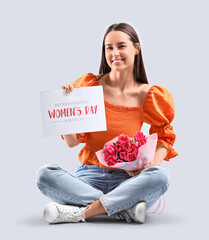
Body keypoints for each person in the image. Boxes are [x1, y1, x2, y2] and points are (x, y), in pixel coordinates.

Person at [36, 23, 178, 224]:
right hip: (88, 176)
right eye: (109, 47)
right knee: (45, 174)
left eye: (121, 46)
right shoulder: (89, 86)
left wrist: (149, 166)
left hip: (127, 181)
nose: (114, 53)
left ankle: (81, 212)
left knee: (160, 176)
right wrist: (65, 105)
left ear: (136, 48)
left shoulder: (148, 94)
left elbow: (165, 136)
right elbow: (72, 142)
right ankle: (124, 209)